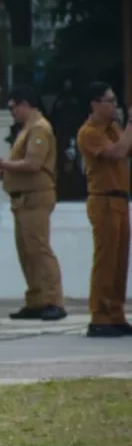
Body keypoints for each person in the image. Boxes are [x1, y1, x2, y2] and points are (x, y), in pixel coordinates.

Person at [0, 85, 68, 321]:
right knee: (26, 252)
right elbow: (22, 164)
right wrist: (6, 171)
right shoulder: (26, 130)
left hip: (36, 196)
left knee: (40, 250)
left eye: (13, 107)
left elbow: (33, 163)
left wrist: (4, 164)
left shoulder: (40, 128)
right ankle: (37, 300)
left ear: (25, 104)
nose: (12, 112)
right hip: (22, 198)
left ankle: (54, 300)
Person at [75, 82, 132, 338]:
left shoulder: (112, 128)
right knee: (106, 259)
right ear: (95, 104)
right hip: (103, 200)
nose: (114, 106)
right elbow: (117, 152)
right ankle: (100, 314)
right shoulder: (89, 132)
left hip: (120, 199)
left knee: (120, 261)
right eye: (109, 101)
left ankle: (116, 313)